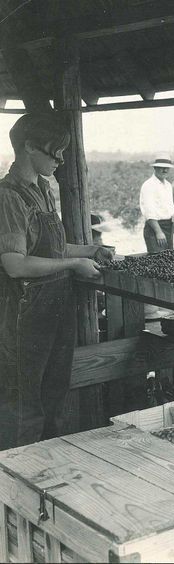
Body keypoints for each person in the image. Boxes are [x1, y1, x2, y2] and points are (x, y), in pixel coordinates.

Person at [0, 113, 112, 449]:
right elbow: (15, 264)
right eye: (55, 152)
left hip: (55, 308)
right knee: (24, 402)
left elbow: (52, 247)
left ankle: (47, 473)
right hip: (25, 312)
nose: (61, 160)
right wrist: (75, 264)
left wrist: (90, 250)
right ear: (29, 147)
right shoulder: (8, 197)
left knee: (54, 395)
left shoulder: (43, 191)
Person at [140, 154, 174, 253]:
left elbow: (169, 207)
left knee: (170, 260)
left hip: (168, 226)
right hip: (155, 227)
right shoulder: (149, 185)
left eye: (167, 168)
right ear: (155, 168)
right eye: (162, 168)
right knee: (158, 260)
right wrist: (158, 232)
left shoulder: (168, 185)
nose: (165, 170)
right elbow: (149, 211)